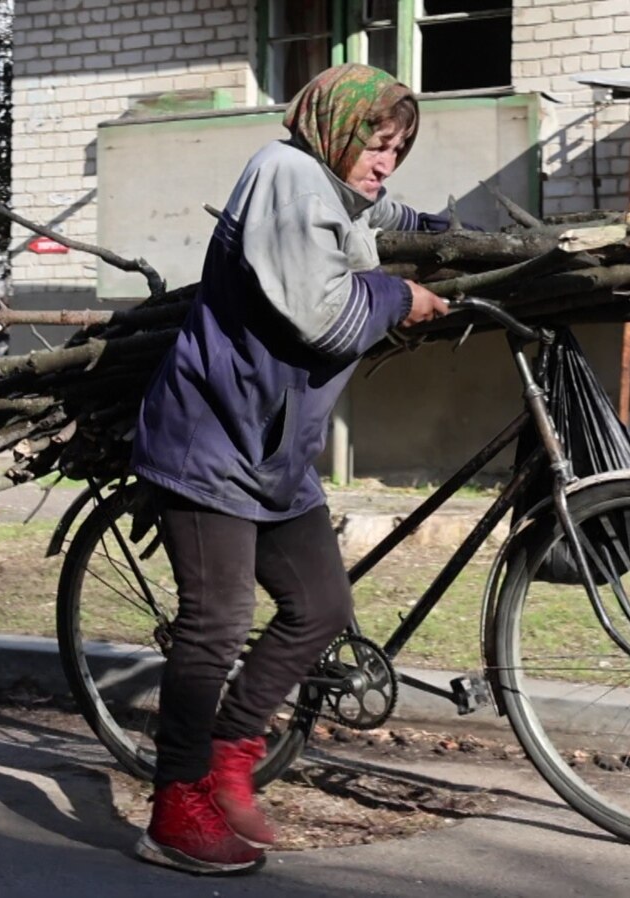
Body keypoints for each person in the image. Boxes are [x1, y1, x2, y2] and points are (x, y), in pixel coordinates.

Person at [128, 63, 452, 875]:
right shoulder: (285, 176)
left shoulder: (336, 189)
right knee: (215, 626)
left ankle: (230, 761)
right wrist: (396, 298)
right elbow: (323, 319)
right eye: (376, 144)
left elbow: (389, 216)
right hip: (209, 442)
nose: (384, 163)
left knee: (318, 606)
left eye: (397, 149)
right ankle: (173, 809)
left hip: (270, 450)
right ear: (335, 129)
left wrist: (457, 235)